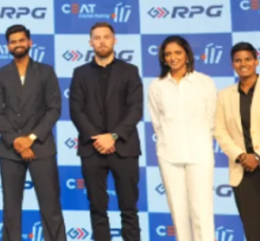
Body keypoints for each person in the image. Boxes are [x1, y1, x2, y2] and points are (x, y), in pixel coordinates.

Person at [0, 25, 65, 241]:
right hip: (10, 150)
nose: (18, 45)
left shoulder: (46, 71)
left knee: (51, 207)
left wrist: (30, 139)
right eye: (13, 42)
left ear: (30, 42)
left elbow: (54, 109)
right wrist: (17, 141)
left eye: (21, 40)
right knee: (11, 209)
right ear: (8, 46)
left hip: (41, 146)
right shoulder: (0, 75)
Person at [69, 22, 143, 241]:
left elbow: (135, 108)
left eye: (106, 37)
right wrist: (98, 138)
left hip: (124, 148)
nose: (102, 41)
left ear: (114, 40)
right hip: (92, 149)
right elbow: (76, 109)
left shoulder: (130, 71)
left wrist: (113, 136)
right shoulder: (80, 73)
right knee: (97, 209)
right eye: (97, 38)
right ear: (90, 42)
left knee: (129, 209)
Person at [148, 35, 216, 241]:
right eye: (168, 54)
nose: (173, 58)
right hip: (169, 155)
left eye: (178, 52)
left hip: (200, 155)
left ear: (187, 54)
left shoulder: (204, 82)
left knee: (202, 213)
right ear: (163, 58)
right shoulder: (157, 86)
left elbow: (212, 118)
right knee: (178, 214)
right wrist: (165, 145)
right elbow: (157, 122)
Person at [214, 42, 260, 240]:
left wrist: (257, 156)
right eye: (238, 60)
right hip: (243, 171)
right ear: (232, 64)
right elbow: (220, 131)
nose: (243, 64)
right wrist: (241, 156)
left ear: (256, 61)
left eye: (248, 59)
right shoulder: (224, 95)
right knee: (253, 229)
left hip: (256, 160)